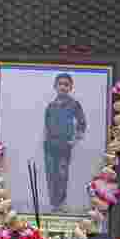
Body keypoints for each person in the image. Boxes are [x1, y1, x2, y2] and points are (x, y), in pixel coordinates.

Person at [42, 72, 87, 211]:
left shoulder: (74, 104)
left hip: (64, 145)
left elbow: (82, 123)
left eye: (66, 84)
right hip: (49, 145)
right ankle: (54, 205)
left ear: (70, 87)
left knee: (62, 175)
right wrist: (45, 140)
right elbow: (46, 126)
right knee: (51, 175)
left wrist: (75, 139)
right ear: (55, 86)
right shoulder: (50, 106)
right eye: (60, 84)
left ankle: (61, 204)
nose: (63, 87)